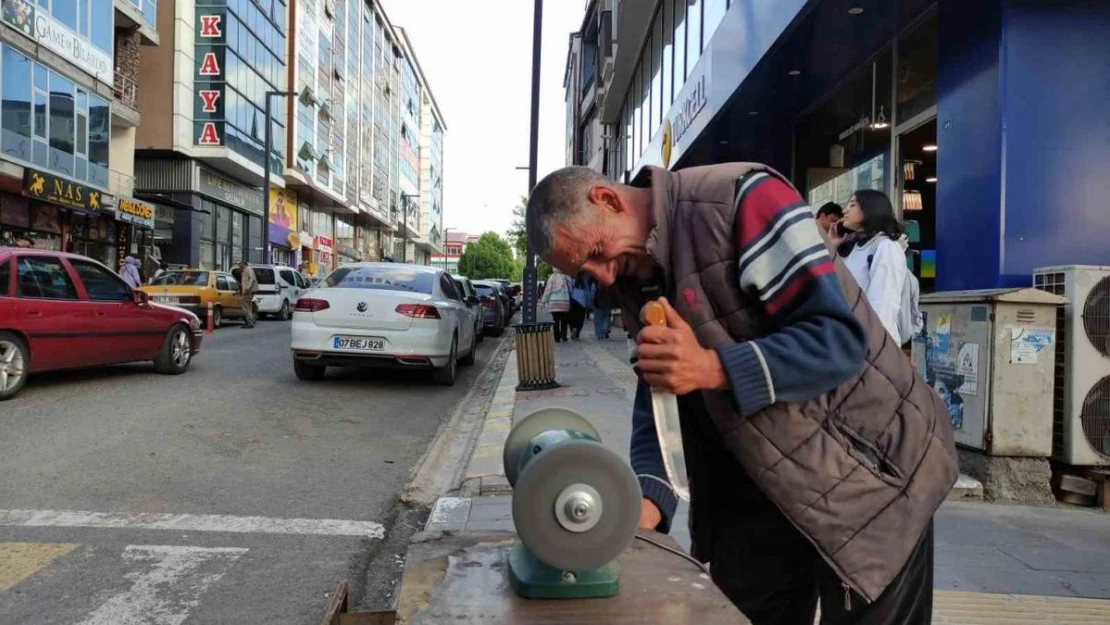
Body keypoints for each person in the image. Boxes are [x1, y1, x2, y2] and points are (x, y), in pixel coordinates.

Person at [526, 165, 957, 625]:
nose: (605, 277)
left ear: (607, 200)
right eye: (586, 272)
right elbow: (661, 387)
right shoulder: (636, 274)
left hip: (870, 479)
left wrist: (711, 367)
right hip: (758, 490)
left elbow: (839, 341)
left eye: (596, 253)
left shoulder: (741, 201)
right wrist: (647, 498)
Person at [829, 190, 911, 347]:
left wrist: (869, 345)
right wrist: (831, 248)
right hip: (849, 340)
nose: (845, 210)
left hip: (871, 347)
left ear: (870, 209)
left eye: (852, 205)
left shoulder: (886, 247)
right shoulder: (852, 248)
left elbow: (883, 304)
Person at [538, 267, 572, 342]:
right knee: (564, 321)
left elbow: (547, 291)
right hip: (564, 303)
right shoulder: (566, 277)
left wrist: (543, 302)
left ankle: (557, 338)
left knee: (555, 320)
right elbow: (571, 288)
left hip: (554, 303)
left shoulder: (552, 278)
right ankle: (564, 336)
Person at [568, 271, 591, 340]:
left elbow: (569, 290)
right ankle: (577, 333)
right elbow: (587, 293)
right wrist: (588, 303)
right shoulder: (585, 282)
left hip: (573, 300)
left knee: (572, 318)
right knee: (580, 319)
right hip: (582, 302)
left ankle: (573, 328)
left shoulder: (572, 280)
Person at [237, 259, 258, 329]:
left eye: (240, 264)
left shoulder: (248, 269)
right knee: (248, 306)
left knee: (246, 307)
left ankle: (250, 322)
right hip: (247, 291)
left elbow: (252, 279)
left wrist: (247, 288)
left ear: (243, 264)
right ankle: (250, 321)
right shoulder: (245, 270)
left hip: (247, 292)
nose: (239, 266)